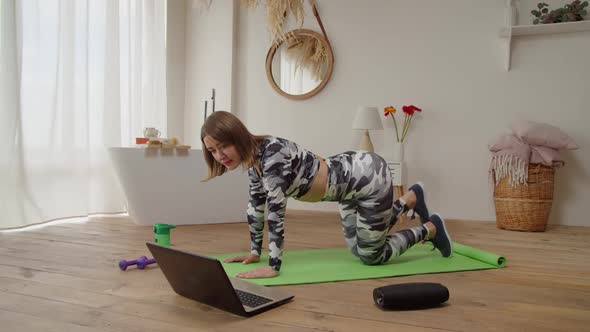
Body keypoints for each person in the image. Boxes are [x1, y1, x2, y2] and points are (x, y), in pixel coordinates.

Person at [201, 111, 453, 279]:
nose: (219, 155)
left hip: (368, 178)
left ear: (238, 136)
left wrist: (273, 267)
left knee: (371, 256)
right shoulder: (254, 162)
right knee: (357, 249)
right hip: (347, 188)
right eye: (213, 150)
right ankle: (411, 198)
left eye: (224, 146)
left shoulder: (272, 157)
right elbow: (255, 208)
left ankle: (431, 228)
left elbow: (275, 214)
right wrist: (254, 252)